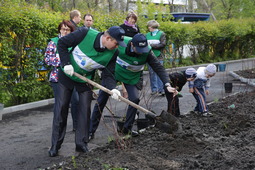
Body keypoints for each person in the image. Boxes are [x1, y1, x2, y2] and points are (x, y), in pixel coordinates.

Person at [48, 26, 126, 157]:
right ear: (107, 38)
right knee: (61, 109)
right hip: (67, 75)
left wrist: (113, 88)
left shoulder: (113, 53)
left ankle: (81, 144)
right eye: (116, 43)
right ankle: (55, 145)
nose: (117, 46)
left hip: (85, 80)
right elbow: (62, 43)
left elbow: (108, 74)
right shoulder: (85, 34)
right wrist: (66, 63)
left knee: (84, 111)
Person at [89, 33, 177, 138]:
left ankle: (126, 129)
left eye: (143, 50)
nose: (141, 53)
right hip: (113, 75)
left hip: (131, 78)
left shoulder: (147, 52)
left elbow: (158, 68)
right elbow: (104, 48)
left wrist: (167, 84)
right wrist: (100, 67)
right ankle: (91, 131)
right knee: (101, 101)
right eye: (139, 50)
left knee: (134, 99)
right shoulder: (120, 44)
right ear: (132, 45)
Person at [44, 20, 78, 131]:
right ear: (59, 29)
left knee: (76, 101)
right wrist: (62, 61)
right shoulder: (53, 42)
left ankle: (76, 126)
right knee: (61, 104)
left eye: (68, 30)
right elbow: (47, 59)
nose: (65, 31)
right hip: (57, 77)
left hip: (73, 77)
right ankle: (58, 127)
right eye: (63, 29)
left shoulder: (74, 43)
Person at [146, 20, 167, 96]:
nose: (148, 28)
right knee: (152, 73)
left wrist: (151, 46)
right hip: (149, 56)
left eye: (149, 26)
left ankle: (161, 89)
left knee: (159, 73)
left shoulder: (161, 34)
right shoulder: (147, 35)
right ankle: (154, 89)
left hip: (159, 56)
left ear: (152, 27)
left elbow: (163, 44)